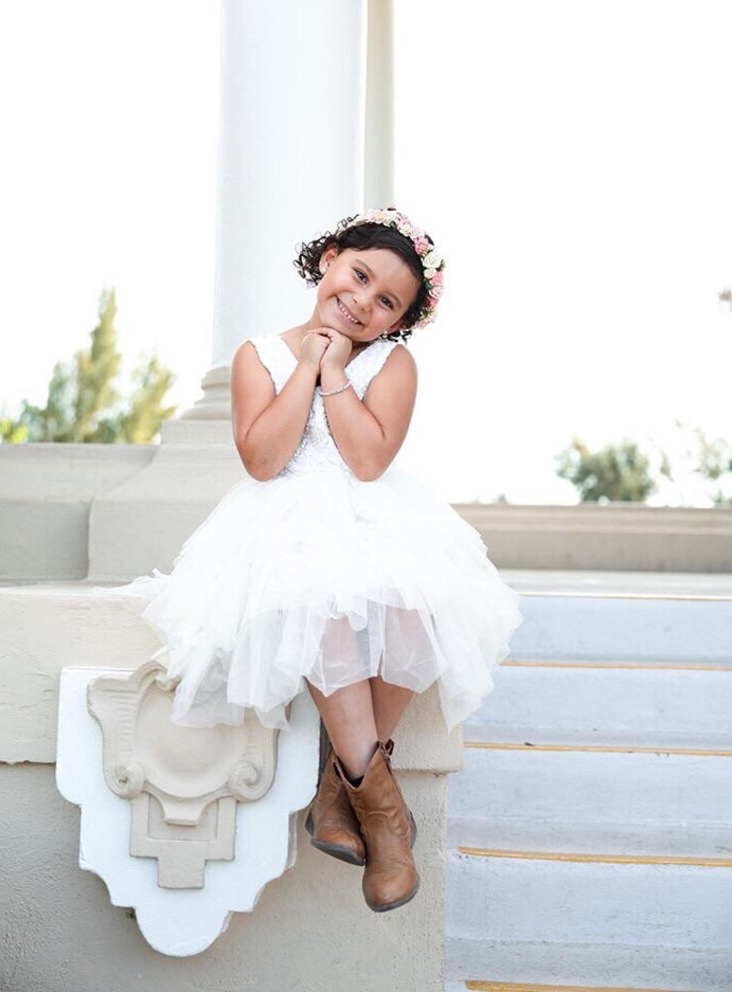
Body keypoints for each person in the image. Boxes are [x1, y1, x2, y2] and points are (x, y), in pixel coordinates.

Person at [95, 207, 524, 913]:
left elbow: (365, 458)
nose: (362, 301)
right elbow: (263, 460)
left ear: (398, 323)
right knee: (313, 594)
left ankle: (337, 792)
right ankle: (386, 821)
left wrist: (336, 376)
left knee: (418, 607)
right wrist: (306, 364)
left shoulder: (393, 364)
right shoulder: (257, 355)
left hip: (373, 511)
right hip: (283, 517)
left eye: (386, 302)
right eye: (359, 276)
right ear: (328, 259)